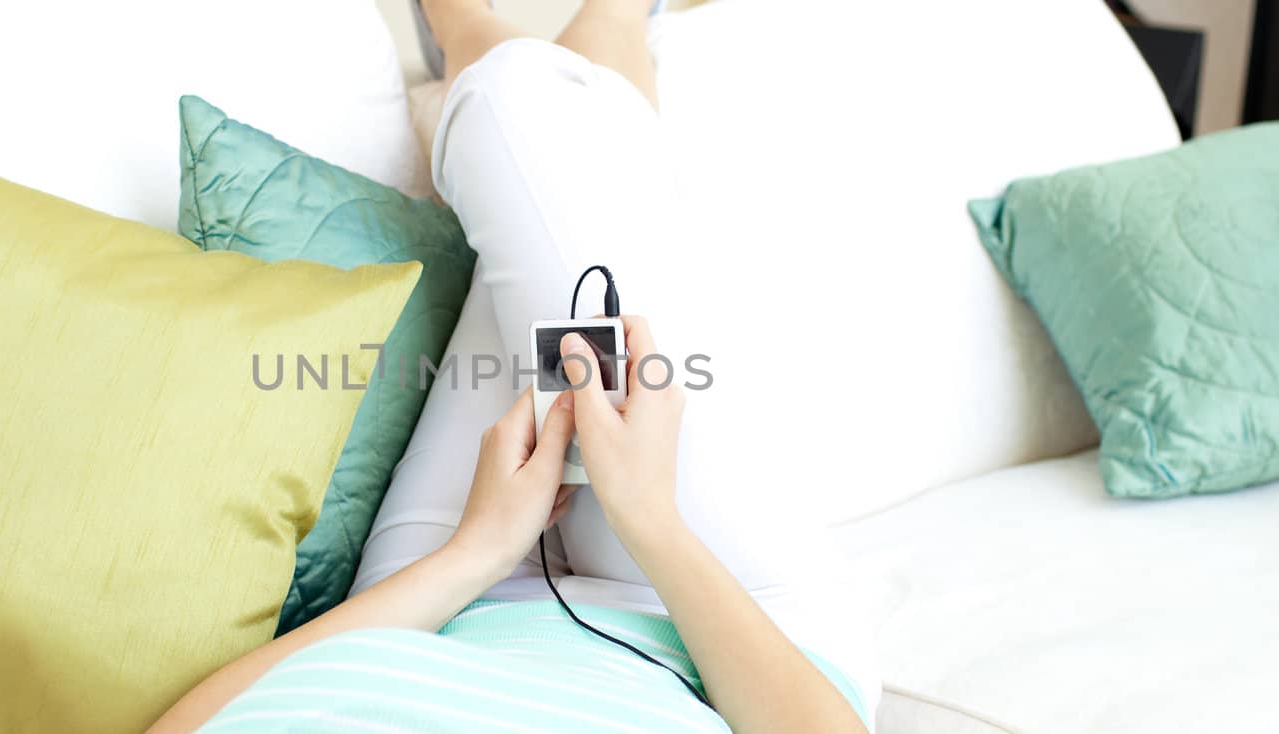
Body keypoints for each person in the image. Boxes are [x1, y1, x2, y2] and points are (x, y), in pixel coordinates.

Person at [149, 1, 879, 731]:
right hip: (730, 631)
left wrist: (476, 550)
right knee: (512, 97)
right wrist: (648, 518)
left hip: (433, 603)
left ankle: (521, 23)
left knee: (519, 121)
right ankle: (543, 18)